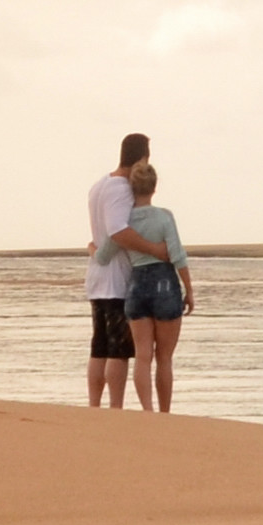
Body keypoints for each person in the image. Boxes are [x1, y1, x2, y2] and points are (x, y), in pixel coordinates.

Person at [108, 160, 193, 411]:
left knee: (142, 356)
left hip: (137, 285)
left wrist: (92, 249)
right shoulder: (164, 217)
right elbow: (177, 254)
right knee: (164, 357)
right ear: (154, 187)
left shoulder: (124, 222)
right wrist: (189, 289)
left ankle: (147, 410)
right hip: (165, 284)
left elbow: (105, 251)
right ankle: (164, 412)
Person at [83, 133, 151, 407]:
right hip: (115, 278)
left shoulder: (99, 185)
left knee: (99, 345)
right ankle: (115, 407)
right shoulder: (121, 188)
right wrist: (154, 249)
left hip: (98, 277)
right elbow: (118, 231)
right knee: (118, 348)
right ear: (142, 157)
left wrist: (96, 253)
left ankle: (94, 405)